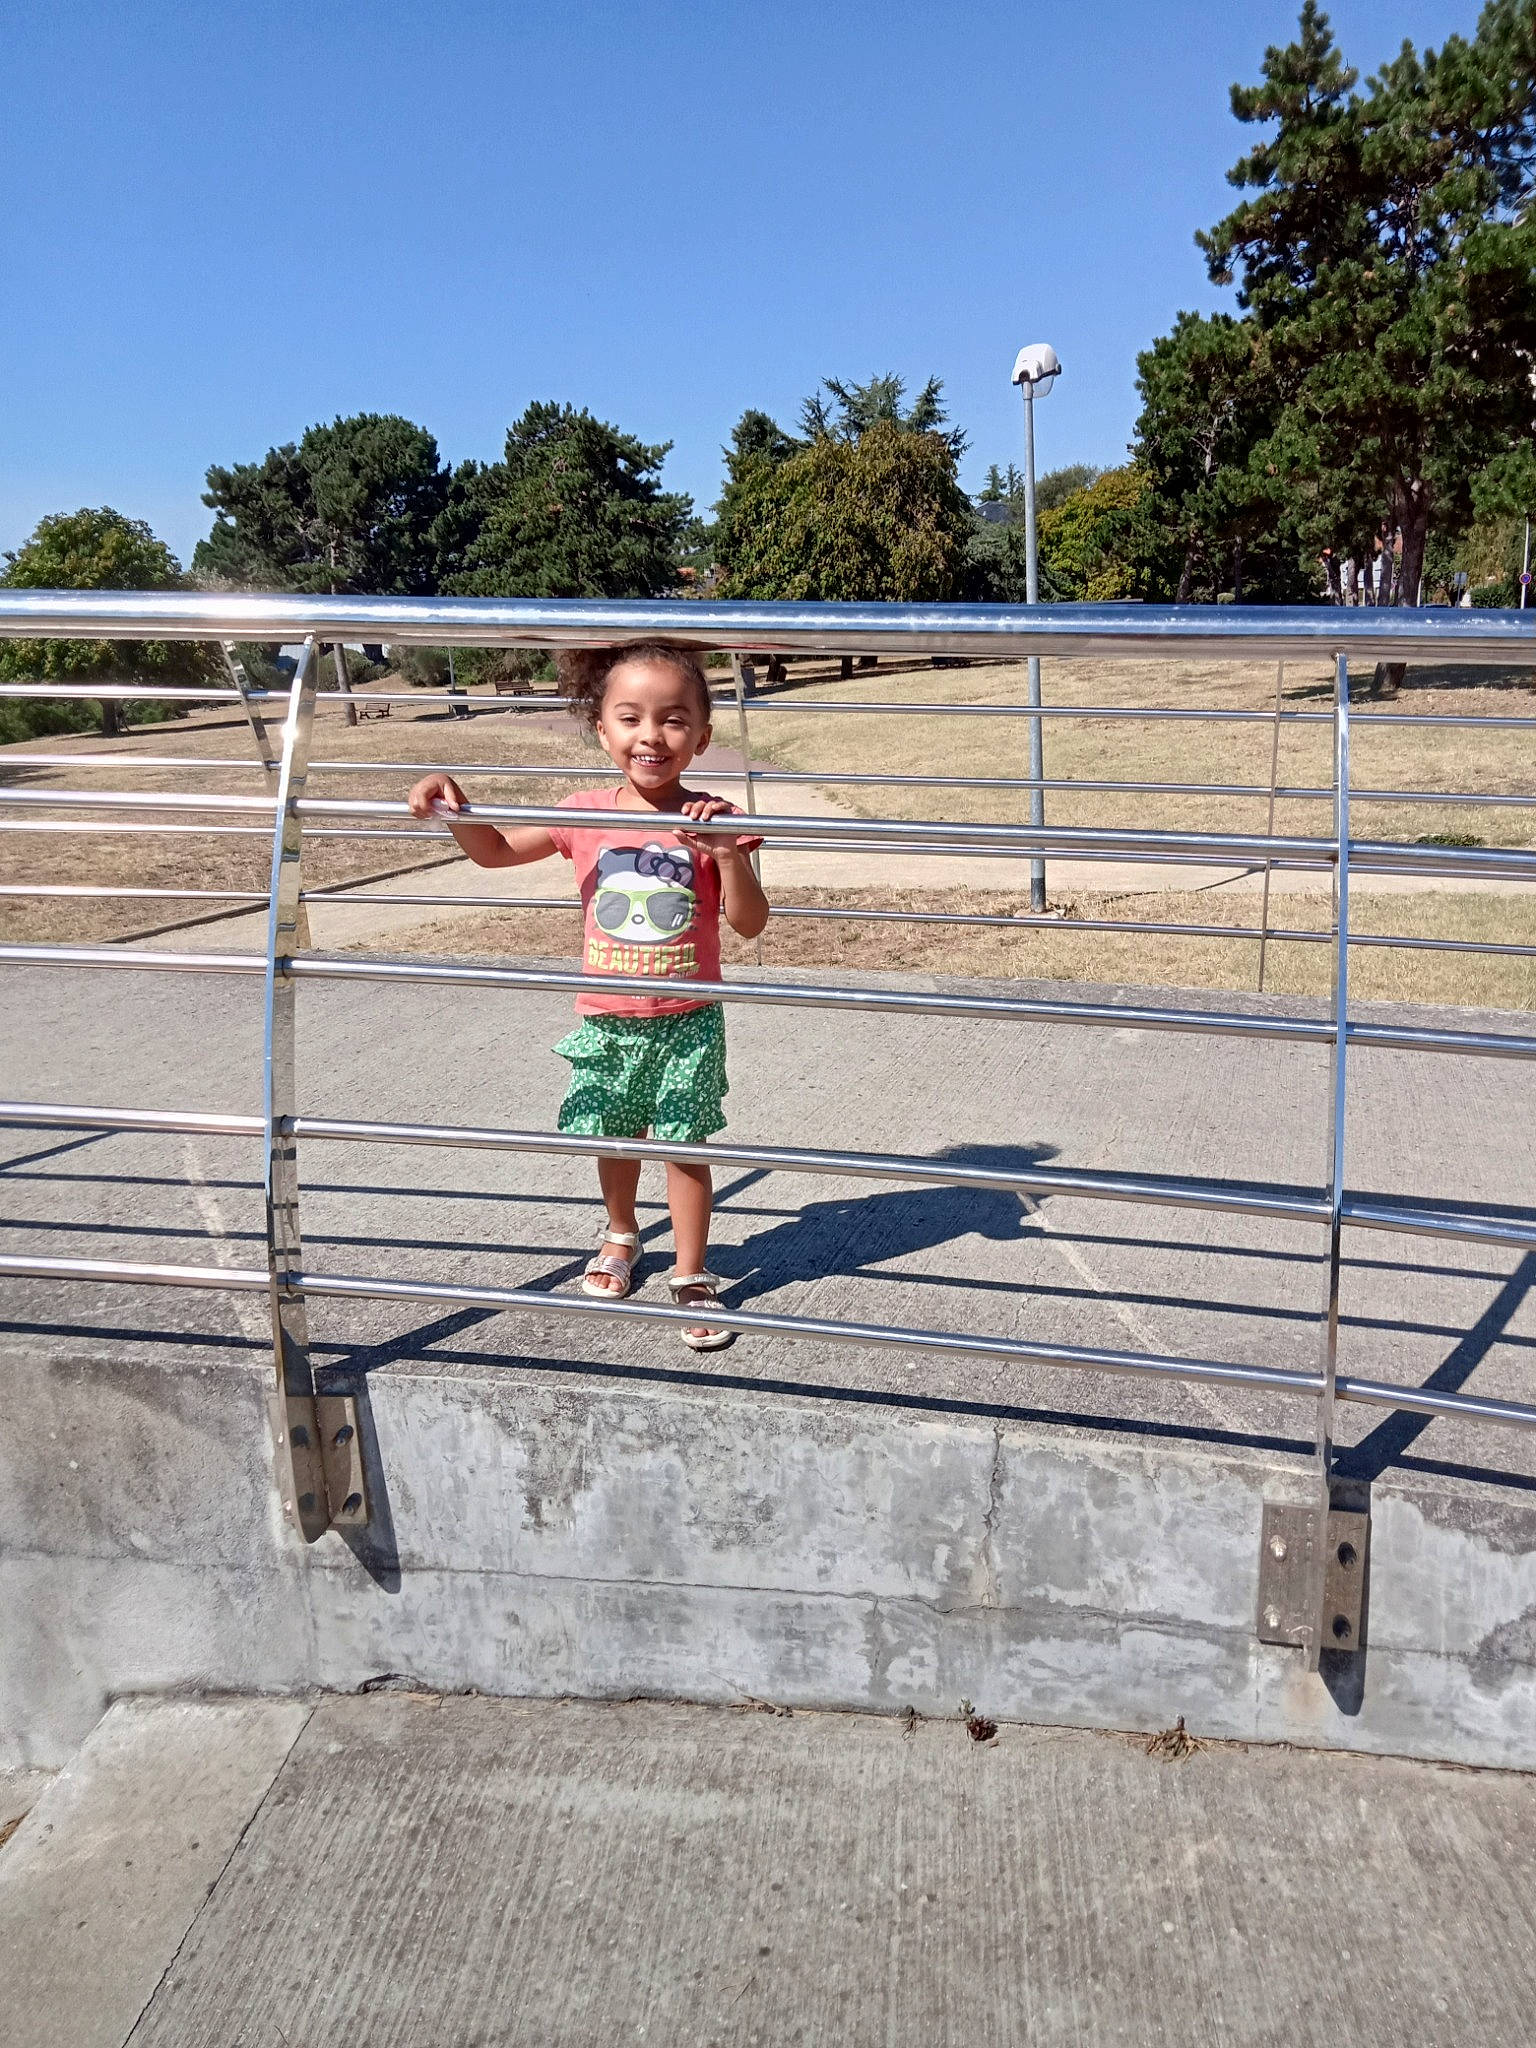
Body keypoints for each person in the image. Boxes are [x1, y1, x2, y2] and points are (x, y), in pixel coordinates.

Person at [406, 642, 768, 1350]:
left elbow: (749, 924)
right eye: (630, 718)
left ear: (701, 735)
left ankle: (691, 1273)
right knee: (615, 1135)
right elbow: (497, 852)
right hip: (607, 1017)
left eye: (673, 719)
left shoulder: (717, 815)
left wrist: (726, 854)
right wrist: (456, 807)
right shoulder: (582, 812)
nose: (650, 735)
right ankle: (622, 1235)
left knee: (685, 1143)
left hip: (688, 1018)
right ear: (603, 730)